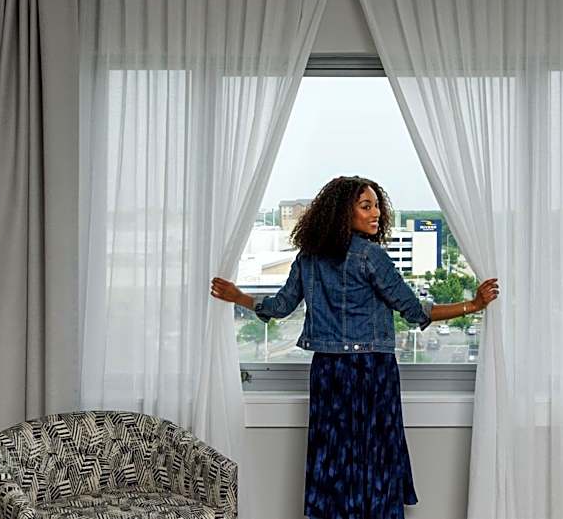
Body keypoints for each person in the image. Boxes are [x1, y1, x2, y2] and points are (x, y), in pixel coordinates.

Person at [210, 176, 499, 519]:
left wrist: (239, 297)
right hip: (371, 371)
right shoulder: (370, 256)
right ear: (342, 212)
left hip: (328, 372)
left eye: (377, 206)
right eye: (366, 206)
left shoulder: (309, 257)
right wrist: (472, 305)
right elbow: (414, 311)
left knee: (333, 458)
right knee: (376, 456)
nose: (376, 213)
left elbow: (280, 307)